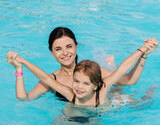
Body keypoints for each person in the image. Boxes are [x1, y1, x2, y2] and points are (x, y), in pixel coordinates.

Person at [6, 27, 157, 101]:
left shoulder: (91, 70)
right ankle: (111, 64)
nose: (65, 53)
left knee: (123, 95)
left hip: (100, 104)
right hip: (77, 113)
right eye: (58, 49)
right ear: (52, 53)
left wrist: (143, 54)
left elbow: (129, 80)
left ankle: (110, 65)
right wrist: (19, 69)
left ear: (76, 46)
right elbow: (24, 98)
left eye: (69, 47)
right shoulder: (54, 82)